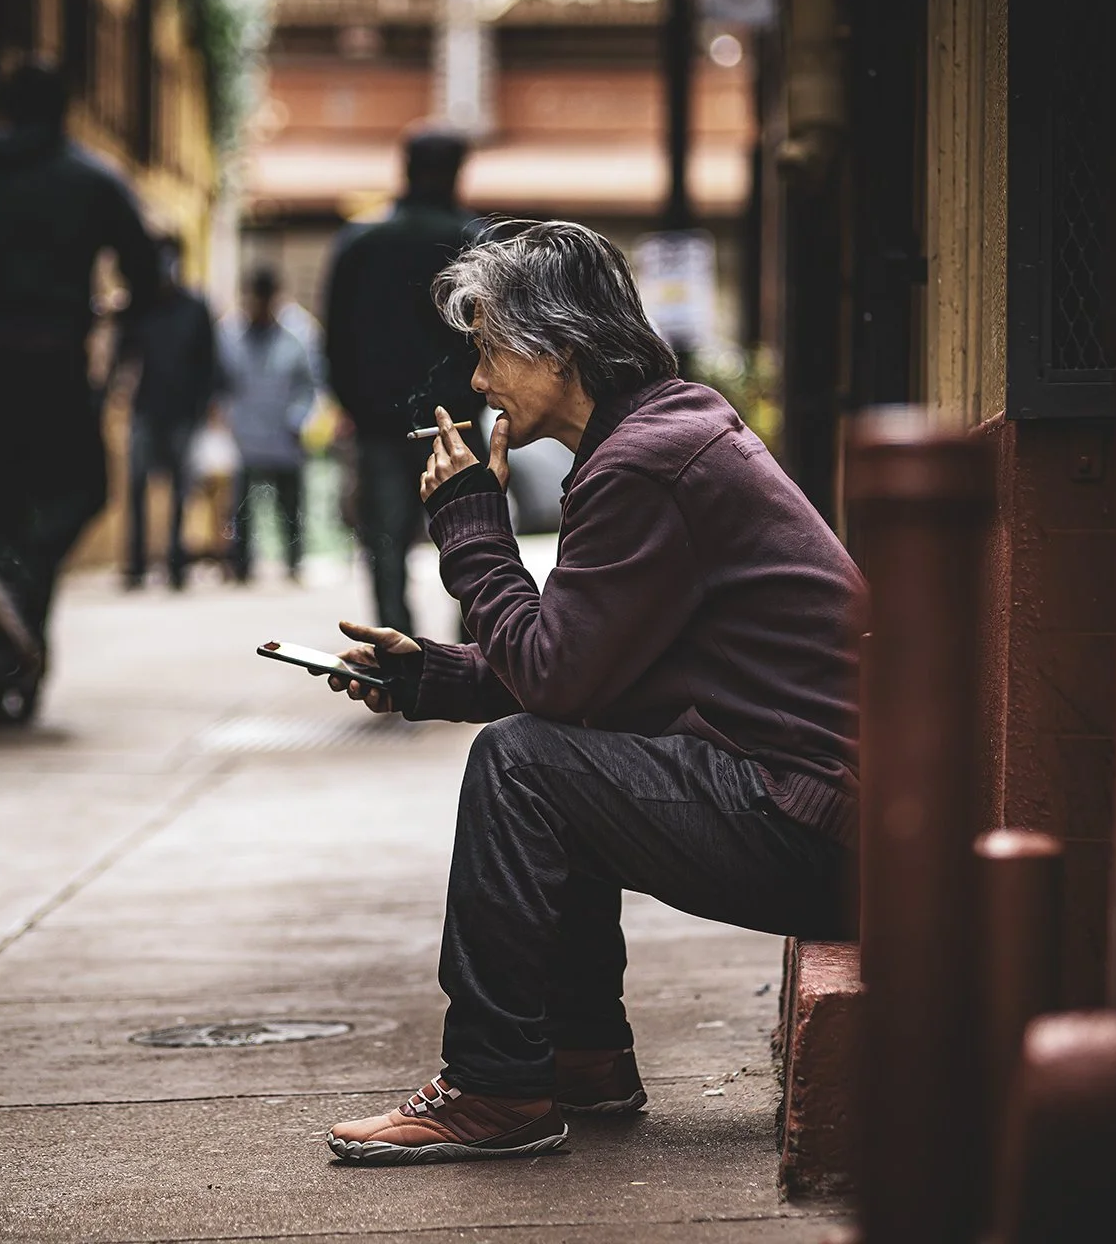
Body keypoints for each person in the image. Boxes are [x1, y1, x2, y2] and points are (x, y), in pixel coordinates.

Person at [316, 222, 865, 1164]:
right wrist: (428, 674)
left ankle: (493, 1086)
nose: (478, 382)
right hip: (824, 814)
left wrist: (470, 528)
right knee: (543, 746)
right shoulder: (663, 432)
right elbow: (593, 669)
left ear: (560, 348)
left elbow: (561, 679)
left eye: (490, 350)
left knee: (520, 762)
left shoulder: (646, 464)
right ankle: (582, 1056)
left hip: (812, 827)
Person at [0, 57, 155, 723]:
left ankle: (3, 646)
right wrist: (111, 319)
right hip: (52, 362)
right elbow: (145, 268)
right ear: (64, 110)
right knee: (79, 491)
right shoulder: (91, 178)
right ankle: (18, 587)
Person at [322, 130, 485, 634]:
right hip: (456, 418)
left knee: (385, 544)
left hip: (378, 420)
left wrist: (354, 403)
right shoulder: (474, 242)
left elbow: (334, 339)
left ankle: (399, 656)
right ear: (457, 171)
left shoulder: (360, 241)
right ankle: (474, 650)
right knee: (470, 535)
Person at [113, 234, 219, 591]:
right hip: (145, 409)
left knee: (179, 492)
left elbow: (208, 365)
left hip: (183, 414)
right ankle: (137, 564)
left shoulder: (195, 308)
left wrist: (203, 411)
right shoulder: (140, 308)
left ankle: (175, 564)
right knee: (137, 486)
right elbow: (122, 356)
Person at [219, 265, 321, 584]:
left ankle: (293, 561)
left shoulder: (299, 333)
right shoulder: (229, 334)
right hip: (245, 436)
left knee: (289, 504)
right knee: (243, 508)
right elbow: (220, 383)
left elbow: (310, 384)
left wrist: (297, 418)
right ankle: (241, 564)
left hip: (283, 436)